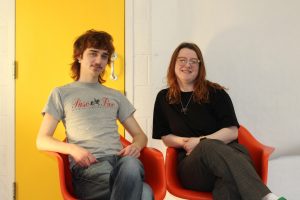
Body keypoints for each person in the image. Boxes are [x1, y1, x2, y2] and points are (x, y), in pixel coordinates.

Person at [152, 42, 286, 200]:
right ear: (174, 63)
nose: (187, 64)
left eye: (193, 61)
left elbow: (232, 131)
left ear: (199, 66)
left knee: (228, 183)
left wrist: (200, 141)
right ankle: (267, 197)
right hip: (192, 167)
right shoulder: (164, 98)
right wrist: (187, 142)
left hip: (232, 155)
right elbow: (165, 136)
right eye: (182, 60)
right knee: (208, 147)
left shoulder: (216, 93)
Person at [36, 30, 153, 200]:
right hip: (90, 168)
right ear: (79, 56)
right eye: (93, 53)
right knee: (145, 193)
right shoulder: (61, 93)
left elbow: (140, 135)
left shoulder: (116, 96)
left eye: (104, 56)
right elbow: (42, 140)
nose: (99, 61)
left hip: (121, 163)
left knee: (131, 164)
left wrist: (136, 146)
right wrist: (72, 149)